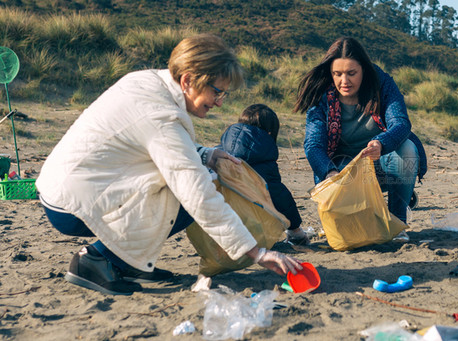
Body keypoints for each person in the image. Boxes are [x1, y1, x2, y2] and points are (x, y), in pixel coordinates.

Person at [36, 34, 302, 296]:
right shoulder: (161, 115)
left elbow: (143, 145)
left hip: (68, 186)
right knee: (194, 189)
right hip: (71, 206)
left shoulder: (148, 82)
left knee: (193, 177)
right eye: (216, 91)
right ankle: (97, 259)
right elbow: (196, 193)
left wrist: (204, 154)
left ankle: (127, 261)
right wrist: (257, 252)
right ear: (187, 80)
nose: (220, 101)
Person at [294, 37, 426, 223]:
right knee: (355, 226)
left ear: (364, 69)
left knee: (407, 149)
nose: (344, 81)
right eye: (337, 74)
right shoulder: (321, 96)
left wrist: (381, 143)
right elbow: (313, 145)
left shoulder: (383, 84)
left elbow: (401, 123)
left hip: (382, 166)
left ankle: (397, 220)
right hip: (342, 171)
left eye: (351, 73)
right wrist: (330, 174)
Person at [218, 104, 309, 245]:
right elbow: (279, 196)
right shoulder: (261, 158)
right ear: (270, 133)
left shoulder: (218, 151)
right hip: (244, 232)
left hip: (214, 224)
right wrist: (295, 230)